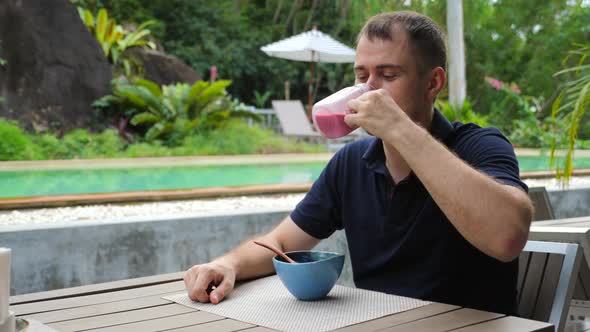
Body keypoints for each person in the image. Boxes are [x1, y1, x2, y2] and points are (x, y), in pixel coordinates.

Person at [184, 11, 533, 315]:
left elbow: (507, 238)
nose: (367, 90)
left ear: (433, 82)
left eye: (388, 75)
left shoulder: (479, 146)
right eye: (361, 75)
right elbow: (283, 243)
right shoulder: (351, 163)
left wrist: (399, 129)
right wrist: (227, 264)